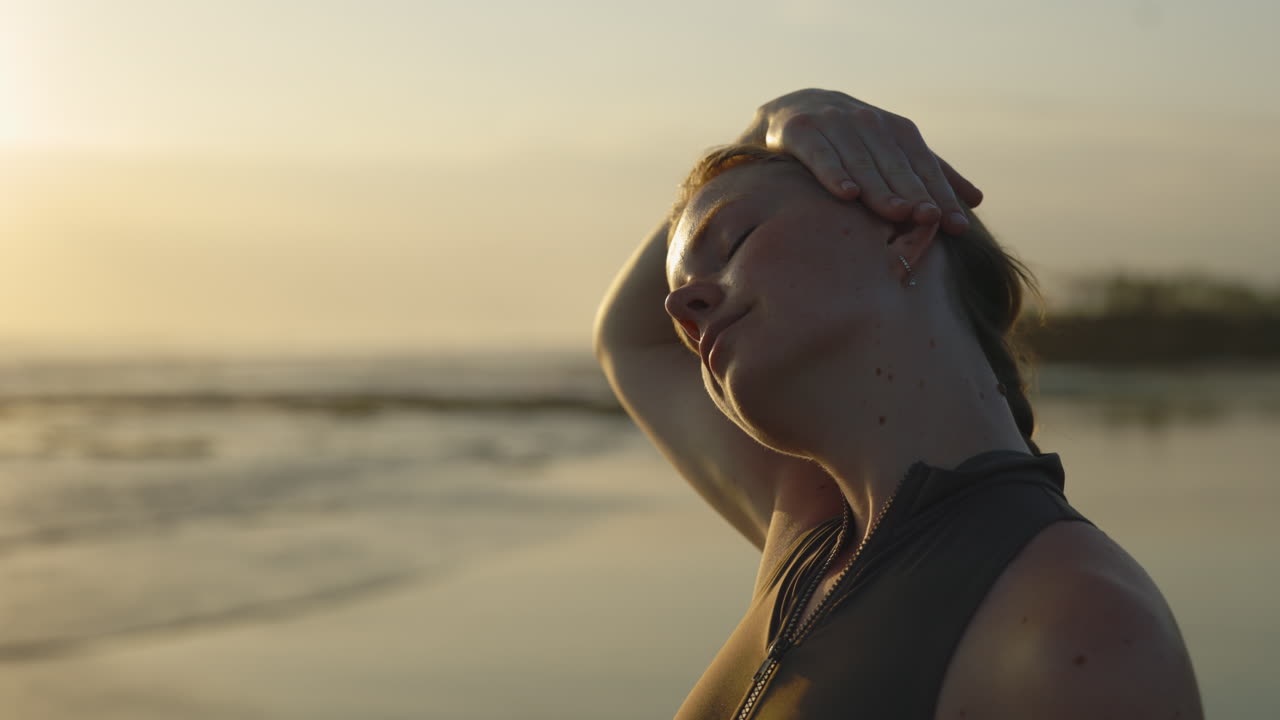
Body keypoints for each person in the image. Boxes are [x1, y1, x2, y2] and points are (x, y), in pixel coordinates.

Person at [592, 89, 1203, 719]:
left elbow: (630, 339)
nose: (679, 308)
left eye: (734, 241)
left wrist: (765, 138)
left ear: (906, 228)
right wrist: (763, 125)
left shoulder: (1077, 624)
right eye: (679, 295)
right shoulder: (808, 535)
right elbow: (628, 337)